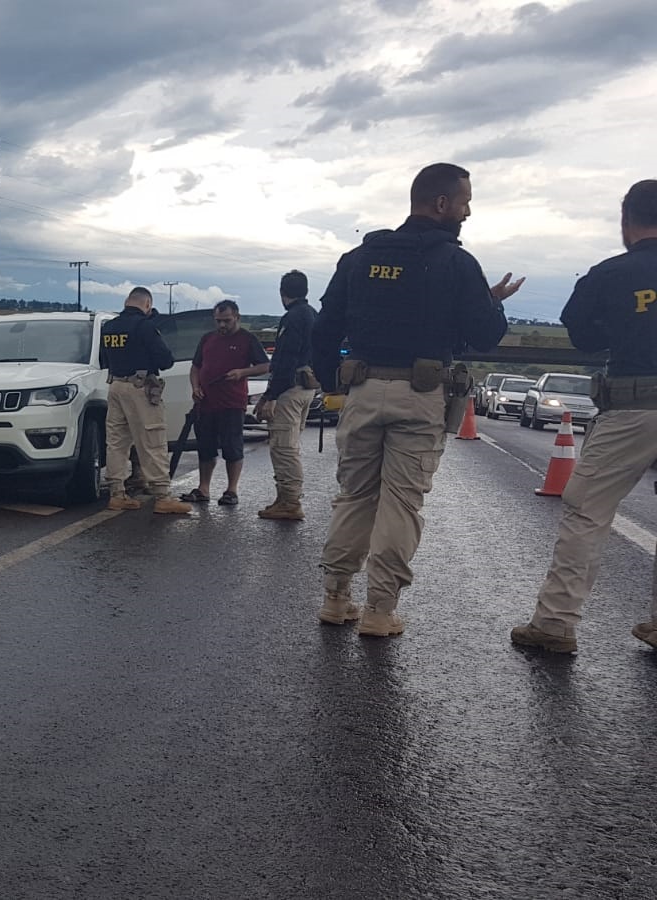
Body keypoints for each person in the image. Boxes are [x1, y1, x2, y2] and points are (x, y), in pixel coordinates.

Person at [310, 162, 520, 636]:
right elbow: (484, 333)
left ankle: (335, 597)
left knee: (355, 497)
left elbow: (324, 330)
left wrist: (334, 384)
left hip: (362, 391)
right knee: (401, 503)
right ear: (441, 203)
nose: (468, 211)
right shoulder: (456, 263)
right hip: (422, 396)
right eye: (464, 201)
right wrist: (494, 301)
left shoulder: (359, 258)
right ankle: (379, 611)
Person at [511, 180, 657, 654]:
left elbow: (583, 334)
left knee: (587, 510)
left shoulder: (611, 273)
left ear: (626, 221)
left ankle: (555, 622)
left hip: (634, 403)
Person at [99, 287, 193, 515]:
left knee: (117, 442)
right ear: (148, 305)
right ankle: (162, 495)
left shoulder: (108, 327)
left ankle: (117, 493)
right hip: (140, 388)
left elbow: (103, 359)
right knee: (153, 439)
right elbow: (165, 360)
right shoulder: (145, 327)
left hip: (115, 386)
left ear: (126, 302)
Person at [182, 300, 269, 506]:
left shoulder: (247, 339)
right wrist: (195, 387)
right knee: (205, 447)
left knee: (232, 447)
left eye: (226, 321)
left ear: (237, 318)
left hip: (232, 404)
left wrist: (242, 372)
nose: (222, 325)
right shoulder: (207, 339)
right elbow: (195, 368)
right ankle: (203, 488)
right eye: (218, 321)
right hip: (206, 404)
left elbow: (265, 365)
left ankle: (231, 490)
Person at [254, 270, 318, 520]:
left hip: (290, 389)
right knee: (289, 445)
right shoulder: (313, 314)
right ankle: (284, 497)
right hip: (308, 387)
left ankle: (290, 501)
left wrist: (270, 395)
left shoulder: (292, 317)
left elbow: (284, 359)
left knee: (283, 447)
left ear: (283, 293)